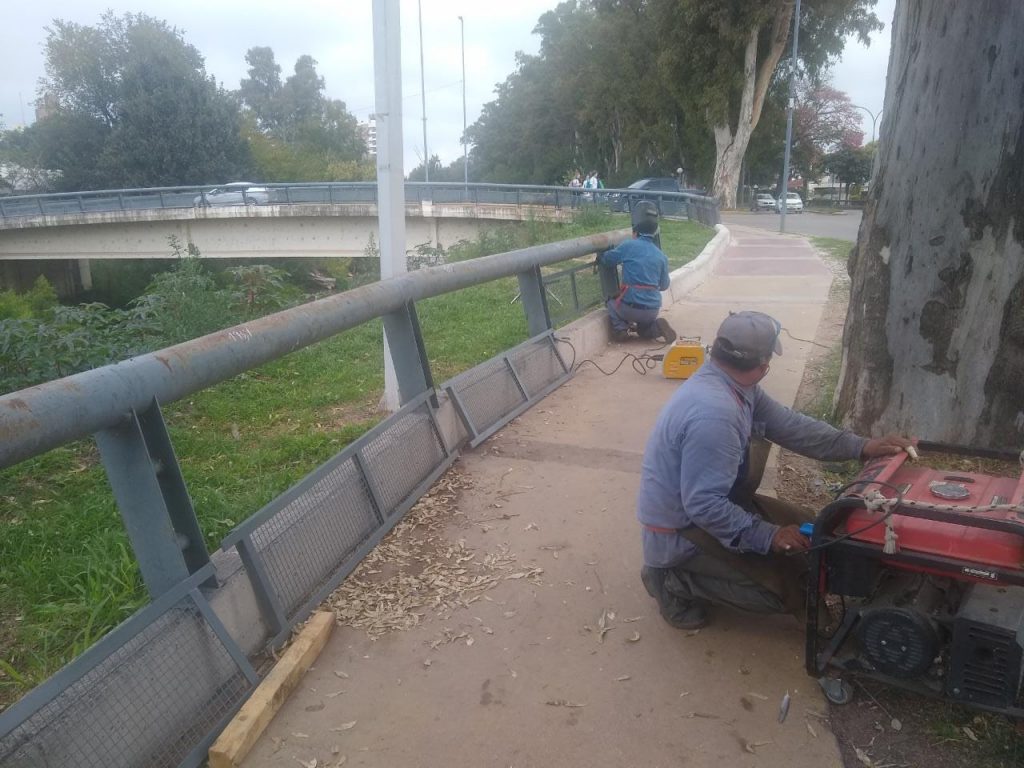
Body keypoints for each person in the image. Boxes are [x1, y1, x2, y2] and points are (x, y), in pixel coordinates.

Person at [636, 310, 912, 629]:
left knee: (817, 532)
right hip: (680, 531)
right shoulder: (716, 416)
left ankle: (705, 569)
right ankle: (673, 581)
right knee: (786, 592)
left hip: (712, 503)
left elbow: (791, 426)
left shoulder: (735, 385)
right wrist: (769, 535)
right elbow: (703, 505)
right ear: (764, 366)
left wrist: (861, 446)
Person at [598, 201, 676, 343]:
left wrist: (601, 255)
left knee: (611, 303)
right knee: (644, 331)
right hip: (652, 310)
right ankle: (656, 328)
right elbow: (664, 286)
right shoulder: (661, 256)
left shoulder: (629, 245)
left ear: (635, 232)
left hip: (630, 307)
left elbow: (608, 260)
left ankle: (621, 329)